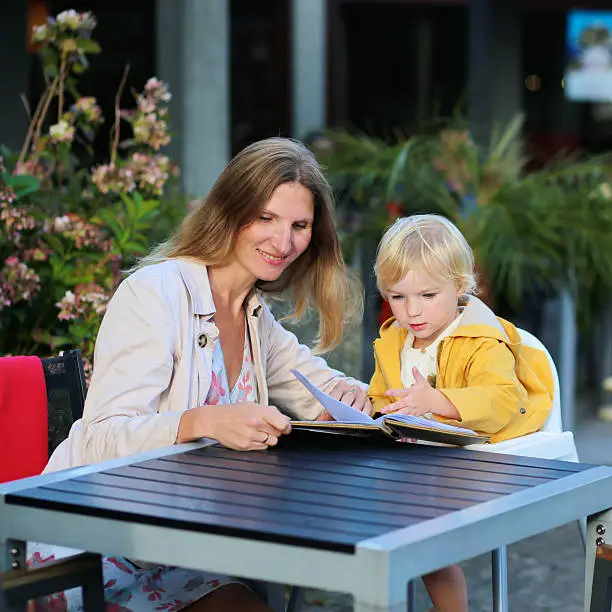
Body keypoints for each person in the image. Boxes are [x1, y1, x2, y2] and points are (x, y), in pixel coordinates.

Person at [29, 137, 372, 612]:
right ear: (230, 210)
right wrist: (204, 421)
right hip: (91, 543)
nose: (283, 241)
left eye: (300, 225)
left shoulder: (255, 316)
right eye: (266, 218)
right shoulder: (155, 294)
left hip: (176, 555)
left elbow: (323, 390)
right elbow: (100, 438)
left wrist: (359, 396)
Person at [368, 213, 554, 612]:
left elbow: (502, 399)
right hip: (413, 463)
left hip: (476, 458)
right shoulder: (394, 343)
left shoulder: (481, 340)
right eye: (398, 297)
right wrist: (371, 411)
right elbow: (381, 397)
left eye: (427, 296)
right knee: (365, 511)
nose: (411, 311)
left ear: (459, 285)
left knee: (426, 540)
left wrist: (438, 402)